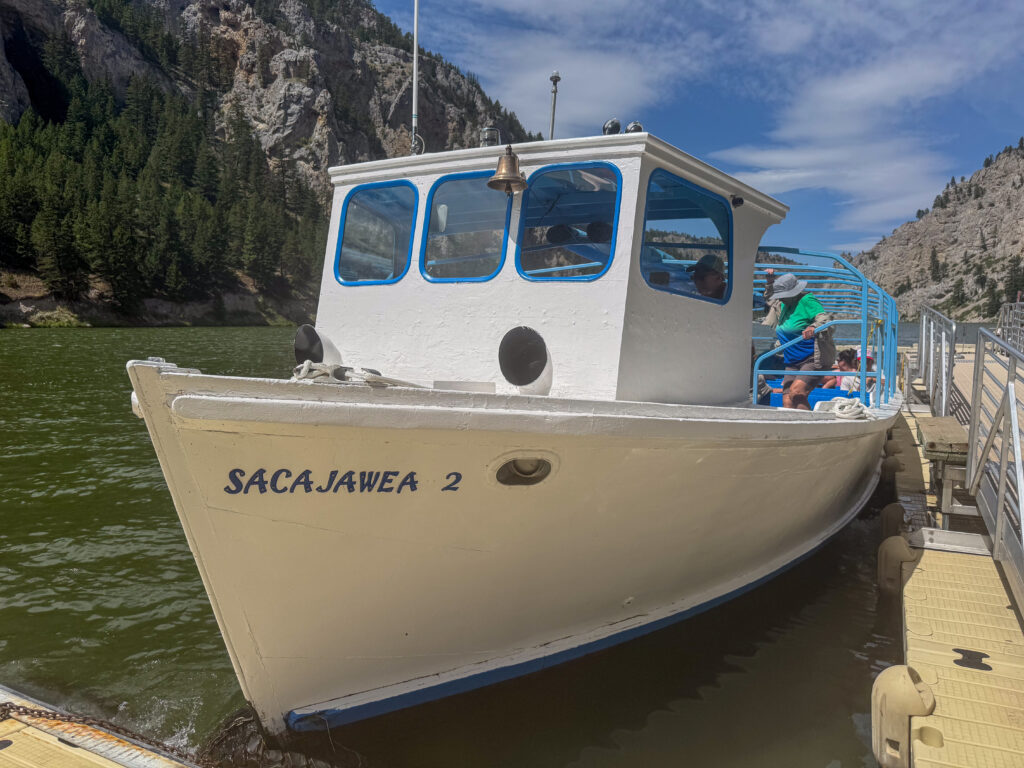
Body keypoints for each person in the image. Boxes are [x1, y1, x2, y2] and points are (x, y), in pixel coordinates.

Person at [765, 271, 835, 410]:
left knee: (797, 393)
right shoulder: (782, 303)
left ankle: (813, 423)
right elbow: (770, 299)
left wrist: (813, 327)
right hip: (791, 360)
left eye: (783, 295)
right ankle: (794, 424)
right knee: (787, 401)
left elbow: (825, 319)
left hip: (811, 358)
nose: (781, 298)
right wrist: (770, 283)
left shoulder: (806, 300)